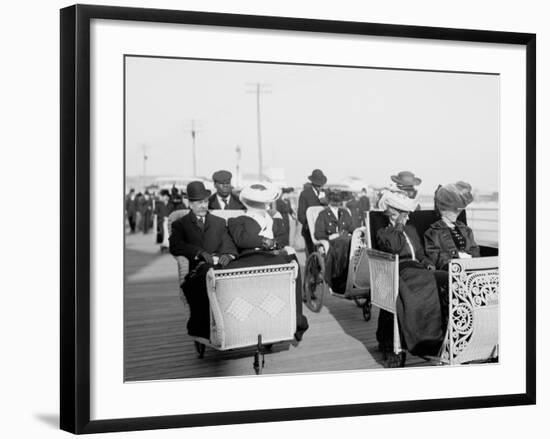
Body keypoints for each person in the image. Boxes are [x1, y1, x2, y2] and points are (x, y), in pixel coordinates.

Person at [227, 183, 309, 342]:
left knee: (292, 260)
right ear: (248, 202)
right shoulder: (237, 220)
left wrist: (274, 246)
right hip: (251, 257)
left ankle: (295, 318)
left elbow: (282, 240)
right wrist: (265, 241)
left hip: (273, 256)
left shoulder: (276, 221)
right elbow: (241, 240)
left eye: (263, 201)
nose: (262, 204)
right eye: (257, 201)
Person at [375, 189, 448, 360]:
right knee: (430, 283)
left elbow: (420, 254)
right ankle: (422, 340)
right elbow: (394, 247)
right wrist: (399, 225)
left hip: (419, 269)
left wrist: (428, 264)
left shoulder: (411, 230)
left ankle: (440, 335)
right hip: (401, 270)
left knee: (443, 278)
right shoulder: (385, 233)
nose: (408, 217)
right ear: (394, 214)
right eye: (405, 214)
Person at [169, 181, 238, 339]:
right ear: (190, 204)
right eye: (199, 202)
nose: (203, 205)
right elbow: (175, 246)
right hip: (197, 270)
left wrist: (228, 255)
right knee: (205, 277)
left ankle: (233, 325)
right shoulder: (181, 224)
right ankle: (206, 329)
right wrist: (197, 252)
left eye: (205, 201)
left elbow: (229, 243)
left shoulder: (219, 223)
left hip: (220, 267)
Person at [425, 182, 480, 270]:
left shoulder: (466, 229)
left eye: (458, 210)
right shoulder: (433, 232)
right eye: (454, 210)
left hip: (472, 267)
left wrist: (474, 261)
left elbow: (474, 249)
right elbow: (435, 257)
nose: (457, 213)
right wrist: (456, 261)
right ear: (442, 209)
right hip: (452, 268)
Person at [314, 190, 354, 294]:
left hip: (346, 240)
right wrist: (330, 236)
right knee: (343, 242)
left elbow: (352, 227)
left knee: (351, 242)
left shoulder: (344, 212)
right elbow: (318, 233)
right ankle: (338, 279)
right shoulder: (323, 214)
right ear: (329, 201)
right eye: (334, 200)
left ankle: (352, 275)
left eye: (338, 201)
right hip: (331, 242)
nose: (336, 203)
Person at [297, 169, 328, 255]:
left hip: (324, 230)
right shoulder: (305, 194)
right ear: (313, 183)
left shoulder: (325, 193)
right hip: (309, 231)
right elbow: (300, 215)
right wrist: (310, 225)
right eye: (318, 185)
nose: (320, 187)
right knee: (311, 254)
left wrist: (326, 202)